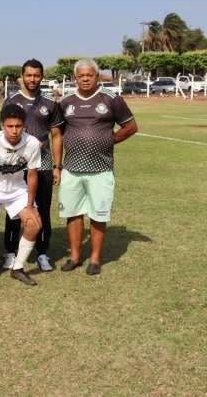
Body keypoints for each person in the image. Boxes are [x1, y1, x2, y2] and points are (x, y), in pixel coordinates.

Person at [58, 58, 137, 275]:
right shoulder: (66, 101)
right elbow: (59, 131)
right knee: (73, 213)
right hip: (72, 168)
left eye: (89, 75)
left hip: (101, 169)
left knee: (98, 214)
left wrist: (109, 140)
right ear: (75, 78)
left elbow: (130, 127)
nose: (85, 79)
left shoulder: (111, 99)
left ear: (97, 76)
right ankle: (74, 256)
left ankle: (94, 259)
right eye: (81, 75)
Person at [2, 59, 64, 272]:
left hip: (44, 165)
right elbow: (5, 131)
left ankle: (42, 252)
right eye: (28, 75)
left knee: (43, 210)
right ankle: (11, 252)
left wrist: (58, 166)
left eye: (36, 75)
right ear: (22, 75)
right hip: (16, 166)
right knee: (14, 209)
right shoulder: (11, 100)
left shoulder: (50, 102)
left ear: (42, 76)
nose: (32, 79)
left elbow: (56, 135)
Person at [0, 105, 43, 286]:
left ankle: (18, 268)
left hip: (17, 189)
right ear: (2, 125)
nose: (14, 131)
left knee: (34, 226)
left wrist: (30, 207)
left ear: (24, 126)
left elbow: (32, 174)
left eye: (18, 126)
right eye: (10, 126)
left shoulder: (32, 143)